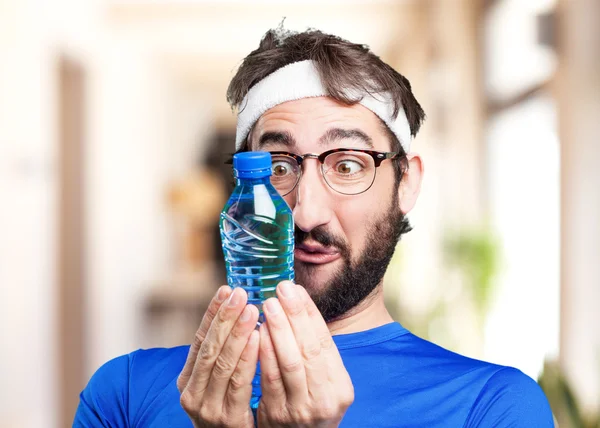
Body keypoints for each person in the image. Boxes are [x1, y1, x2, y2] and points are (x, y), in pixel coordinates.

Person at [74, 28, 554, 427]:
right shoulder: (127, 393)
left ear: (405, 183)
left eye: (347, 165)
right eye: (278, 167)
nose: (305, 214)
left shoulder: (493, 407)